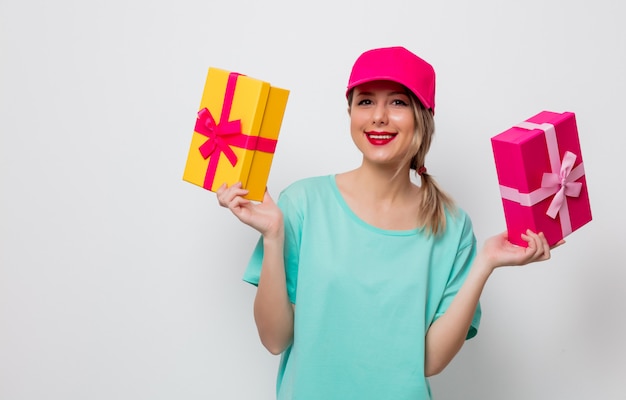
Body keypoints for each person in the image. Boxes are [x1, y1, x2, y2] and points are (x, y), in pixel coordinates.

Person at [216, 46, 561, 400]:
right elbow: (275, 340)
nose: (379, 117)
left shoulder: (451, 225)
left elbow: (428, 362)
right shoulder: (302, 203)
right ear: (350, 112)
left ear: (423, 116)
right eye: (365, 101)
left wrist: (485, 262)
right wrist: (274, 236)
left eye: (397, 102)